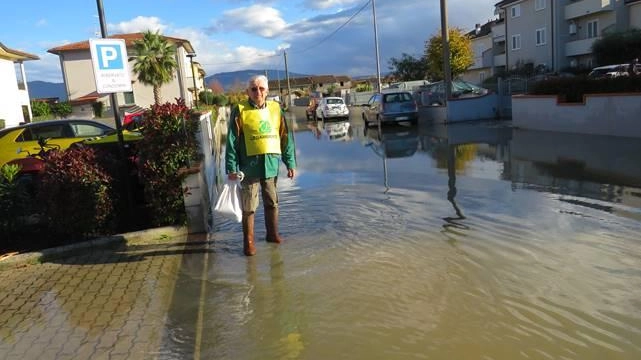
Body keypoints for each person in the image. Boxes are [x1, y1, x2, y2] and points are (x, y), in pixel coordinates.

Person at [226, 75, 297, 256]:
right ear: (247, 92)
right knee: (249, 206)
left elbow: (285, 137)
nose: (258, 92)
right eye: (254, 89)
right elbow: (232, 140)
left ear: (267, 90)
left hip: (271, 164)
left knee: (272, 202)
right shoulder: (239, 110)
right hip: (248, 167)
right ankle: (248, 242)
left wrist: (290, 162)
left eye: (261, 88)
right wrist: (232, 167)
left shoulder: (276, 109)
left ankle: (272, 235)